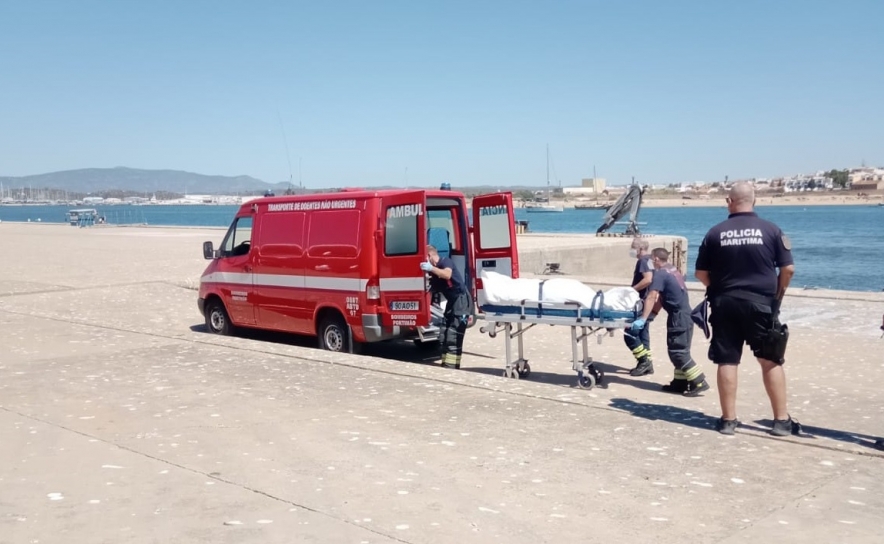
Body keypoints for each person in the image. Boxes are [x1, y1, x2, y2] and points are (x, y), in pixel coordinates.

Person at [695, 181, 796, 436]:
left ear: (729, 202)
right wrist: (778, 296)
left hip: (724, 302)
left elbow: (700, 273)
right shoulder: (771, 230)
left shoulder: (715, 233)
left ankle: (729, 420)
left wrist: (718, 288)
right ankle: (781, 421)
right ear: (755, 201)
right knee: (770, 359)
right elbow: (788, 269)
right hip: (761, 302)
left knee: (727, 360)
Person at [631, 248, 710, 396]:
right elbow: (662, 297)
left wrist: (642, 319)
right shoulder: (672, 270)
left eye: (651, 259)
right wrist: (653, 314)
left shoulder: (660, 274)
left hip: (679, 317)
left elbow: (652, 296)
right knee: (677, 349)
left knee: (678, 352)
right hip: (684, 315)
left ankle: (699, 381)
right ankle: (679, 383)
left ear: (655, 259)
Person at [421, 245, 472, 369]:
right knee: (444, 332)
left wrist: (431, 268)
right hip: (452, 301)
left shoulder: (445, 261)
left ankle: (452, 366)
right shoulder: (434, 271)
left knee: (453, 334)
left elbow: (447, 275)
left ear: (429, 256)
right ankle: (446, 363)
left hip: (461, 300)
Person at [623, 237, 656, 376]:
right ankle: (647, 363)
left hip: (641, 302)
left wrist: (633, 290)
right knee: (643, 334)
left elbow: (648, 279)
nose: (632, 250)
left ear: (640, 249)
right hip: (648, 302)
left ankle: (644, 361)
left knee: (630, 333)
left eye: (633, 247)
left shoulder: (643, 261)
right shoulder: (650, 260)